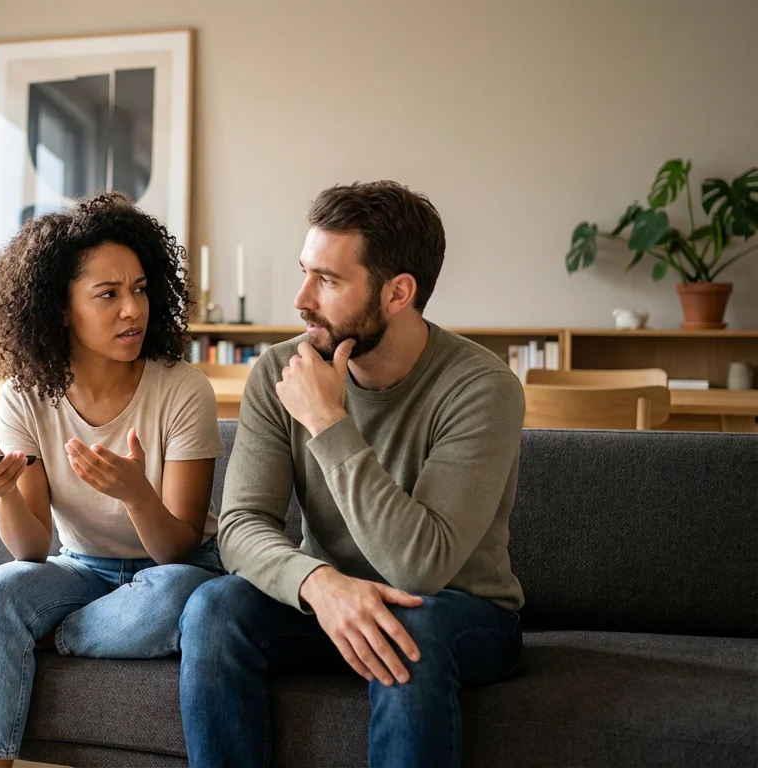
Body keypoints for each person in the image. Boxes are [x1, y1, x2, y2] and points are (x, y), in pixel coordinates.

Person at [178, 181, 526, 768]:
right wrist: (319, 584)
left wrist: (327, 421)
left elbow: (422, 567)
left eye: (329, 280)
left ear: (398, 293)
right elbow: (240, 526)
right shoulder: (277, 372)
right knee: (213, 610)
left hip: (460, 613)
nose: (300, 298)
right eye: (305, 271)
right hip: (330, 604)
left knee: (412, 631)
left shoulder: (481, 388)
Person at [0, 192, 225, 767]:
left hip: (175, 570)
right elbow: (31, 550)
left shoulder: (182, 389)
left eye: (139, 289)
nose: (132, 309)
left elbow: (178, 546)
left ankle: (9, 628)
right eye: (107, 294)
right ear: (59, 309)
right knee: (3, 587)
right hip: (82, 570)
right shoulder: (25, 397)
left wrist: (135, 494)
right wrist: (5, 492)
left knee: (186, 598)